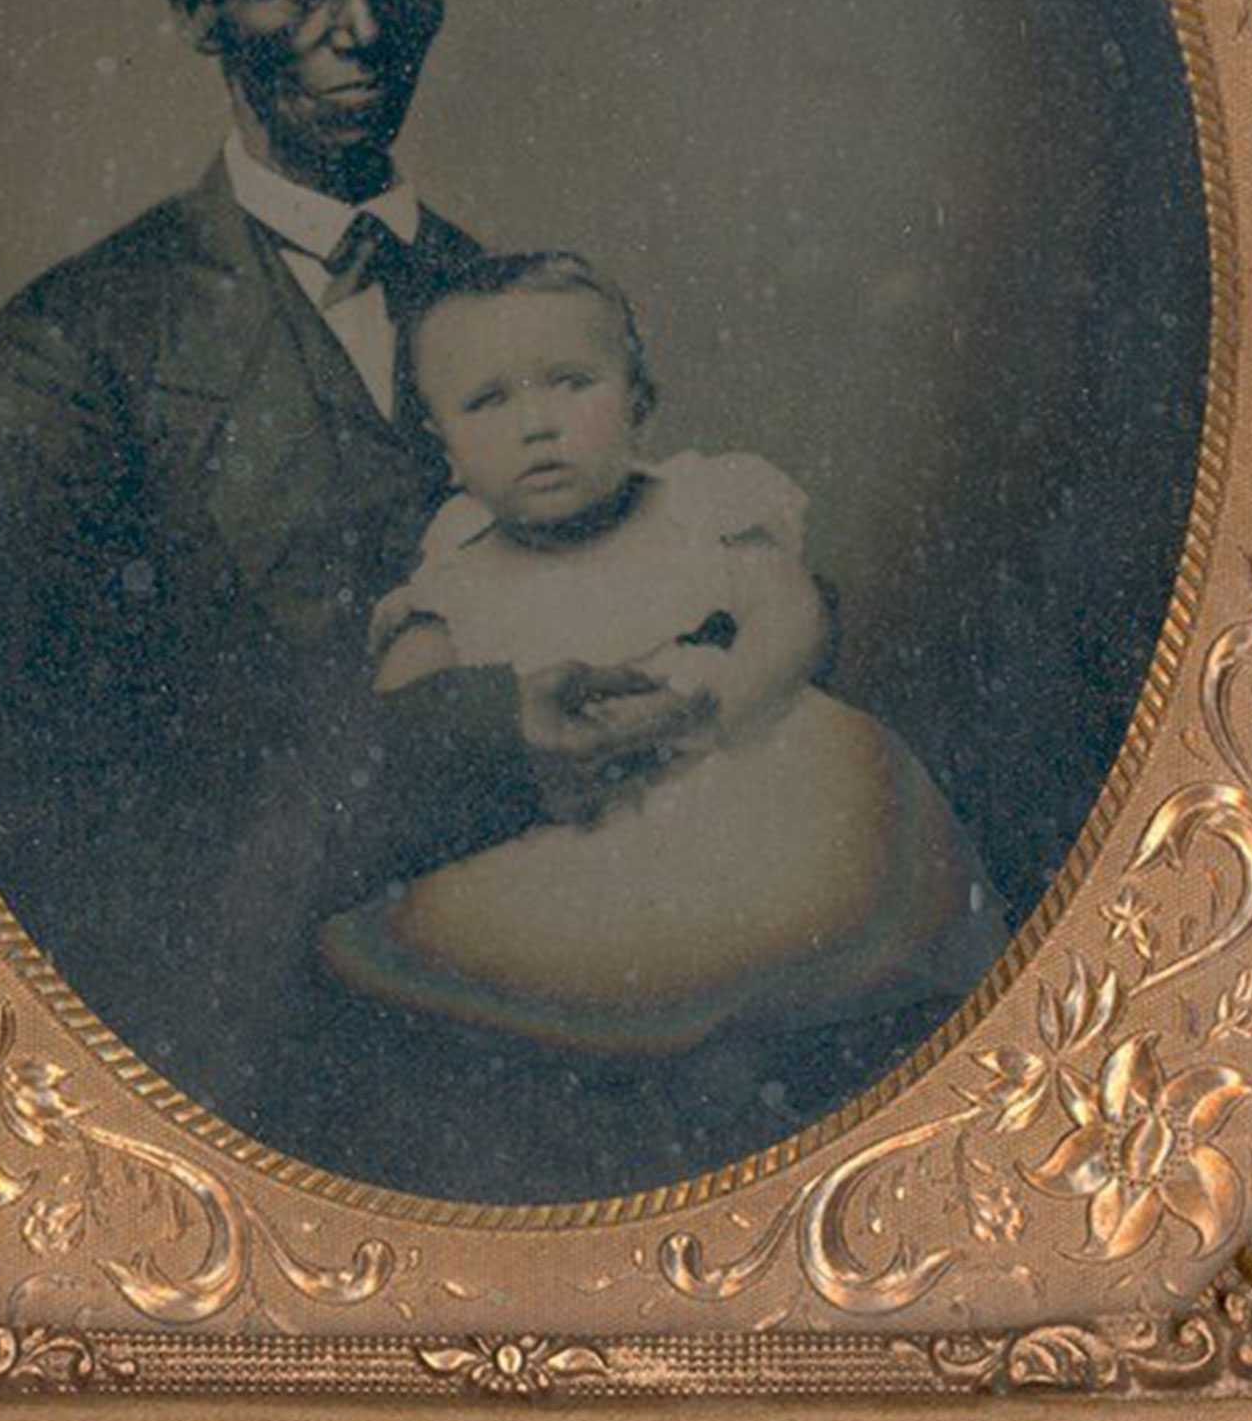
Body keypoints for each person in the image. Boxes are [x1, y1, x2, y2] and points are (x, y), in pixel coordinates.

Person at [0, 0, 702, 1161]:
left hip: (542, 1062)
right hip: (231, 1079)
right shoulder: (70, 354)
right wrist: (470, 738)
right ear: (198, 8)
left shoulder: (519, 317)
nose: (360, 31)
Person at [321, 252, 1007, 1054]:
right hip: (569, 826)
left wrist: (725, 702)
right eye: (488, 401)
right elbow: (401, 710)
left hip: (734, 772)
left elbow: (791, 612)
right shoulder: (454, 573)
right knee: (572, 992)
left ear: (638, 399)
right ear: (445, 446)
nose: (537, 424)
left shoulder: (700, 504)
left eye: (572, 383)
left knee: (828, 927)